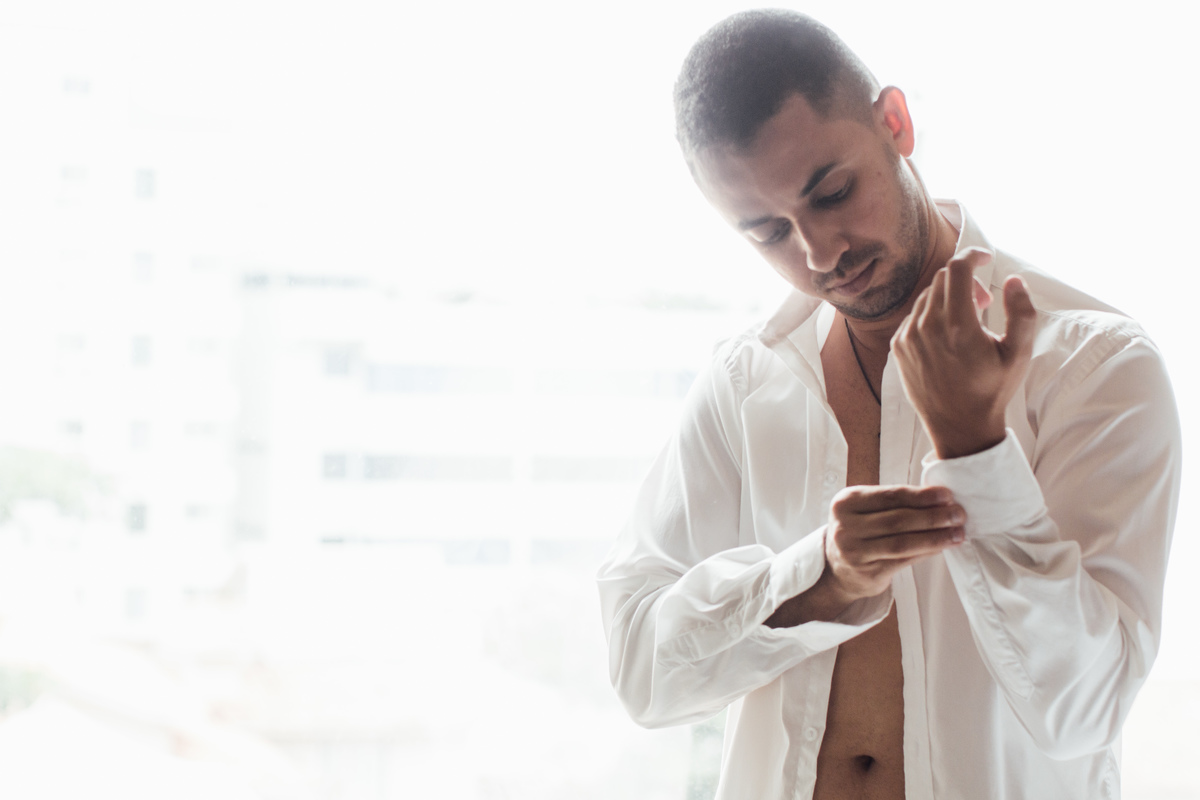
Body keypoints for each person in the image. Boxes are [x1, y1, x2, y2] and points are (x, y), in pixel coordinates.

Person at [595, 9, 1181, 800]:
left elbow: (1085, 711)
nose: (820, 254)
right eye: (769, 233)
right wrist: (821, 581)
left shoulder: (1092, 365)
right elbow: (640, 671)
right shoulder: (746, 383)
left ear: (896, 124)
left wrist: (978, 453)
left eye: (833, 193)